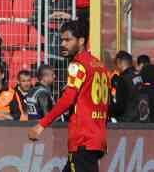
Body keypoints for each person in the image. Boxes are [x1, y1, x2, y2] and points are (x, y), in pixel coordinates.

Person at [28, 20, 109, 172]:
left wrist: (41, 125)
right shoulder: (100, 66)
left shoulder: (77, 65)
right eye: (61, 40)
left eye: (68, 40)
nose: (63, 44)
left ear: (81, 41)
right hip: (97, 137)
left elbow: (67, 99)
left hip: (82, 138)